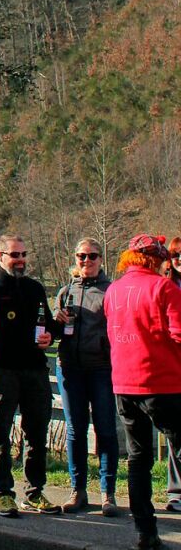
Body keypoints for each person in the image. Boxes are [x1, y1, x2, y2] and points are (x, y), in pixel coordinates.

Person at [104, 234, 181, 550]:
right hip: (163, 382)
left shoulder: (113, 290)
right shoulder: (165, 288)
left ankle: (145, 532)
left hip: (124, 383)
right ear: (156, 259)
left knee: (138, 459)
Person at [0, 233, 60, 517]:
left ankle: (34, 491)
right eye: (14, 255)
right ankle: (4, 493)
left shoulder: (35, 288)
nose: (20, 261)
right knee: (0, 432)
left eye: (23, 255)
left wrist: (50, 336)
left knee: (37, 432)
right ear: (0, 256)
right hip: (2, 369)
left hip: (35, 369)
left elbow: (49, 325)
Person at [52, 238, 119, 516]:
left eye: (92, 256)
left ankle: (108, 493)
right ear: (75, 259)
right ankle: (77, 490)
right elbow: (53, 335)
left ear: (101, 259)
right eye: (81, 256)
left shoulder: (111, 291)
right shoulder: (66, 291)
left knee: (105, 430)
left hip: (102, 368)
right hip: (70, 368)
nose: (86, 261)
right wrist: (56, 322)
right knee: (75, 431)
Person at [165, 236, 181, 512]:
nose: (180, 258)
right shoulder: (166, 287)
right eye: (176, 254)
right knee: (176, 434)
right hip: (173, 366)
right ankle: (176, 491)